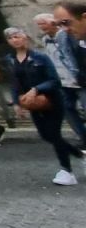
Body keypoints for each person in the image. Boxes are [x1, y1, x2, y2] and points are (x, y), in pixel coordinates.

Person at [5, 26, 84, 186]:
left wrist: (37, 89)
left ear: (25, 37)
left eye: (17, 36)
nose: (15, 40)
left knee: (54, 135)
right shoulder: (10, 59)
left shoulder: (40, 57)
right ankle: (80, 155)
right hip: (32, 103)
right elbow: (14, 83)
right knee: (46, 135)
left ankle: (67, 171)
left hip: (52, 100)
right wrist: (16, 103)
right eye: (11, 38)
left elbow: (54, 80)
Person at [35, 12, 86, 144]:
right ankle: (83, 136)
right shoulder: (45, 39)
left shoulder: (67, 35)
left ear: (53, 23)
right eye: (39, 24)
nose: (41, 27)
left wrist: (78, 73)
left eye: (43, 23)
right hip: (61, 80)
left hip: (78, 78)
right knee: (67, 108)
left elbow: (73, 56)